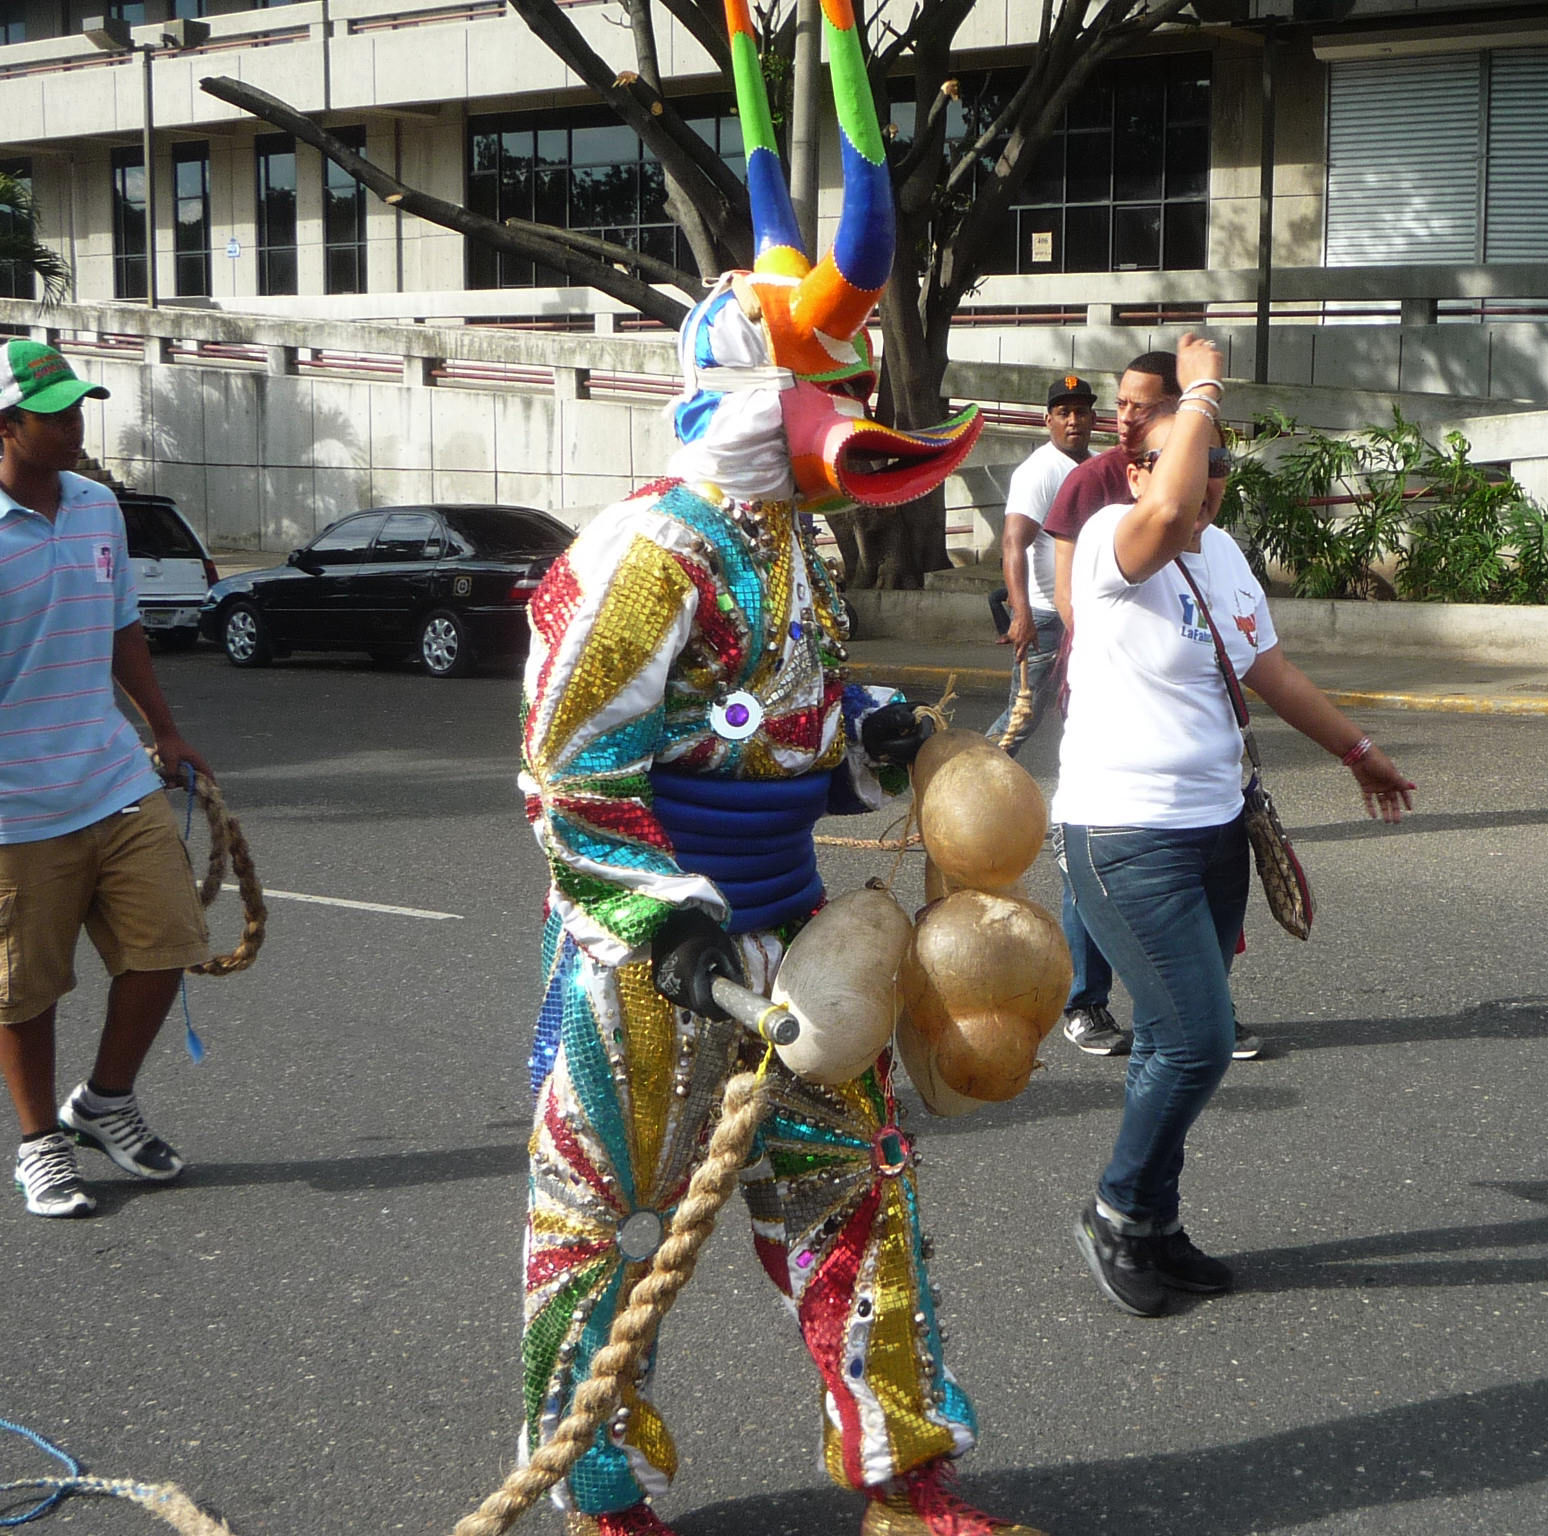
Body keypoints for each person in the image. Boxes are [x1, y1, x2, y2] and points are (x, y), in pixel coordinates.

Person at [514, 9, 1040, 1535]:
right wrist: (666, 921)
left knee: (858, 1193)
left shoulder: (787, 553)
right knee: (600, 1229)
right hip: (643, 966)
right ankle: (598, 1490)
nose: (846, 405)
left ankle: (905, 1477)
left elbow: (783, 712)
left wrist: (869, 732)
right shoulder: (641, 554)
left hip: (796, 947)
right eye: (817, 373)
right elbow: (570, 780)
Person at [1058, 335, 1416, 1319]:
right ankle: (1116, 1212)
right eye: (1186, 455)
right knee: (1196, 1040)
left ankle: (1156, 1227)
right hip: (1124, 837)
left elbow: (1270, 671)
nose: (1204, 481)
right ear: (1136, 468)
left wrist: (1357, 752)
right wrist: (1200, 386)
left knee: (1178, 1039)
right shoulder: (1110, 545)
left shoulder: (1216, 557)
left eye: (1216, 463)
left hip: (1212, 833)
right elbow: (1165, 510)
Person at [0, 340, 213, 1220]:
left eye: (80, 406)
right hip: (14, 805)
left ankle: (105, 1101)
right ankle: (40, 1142)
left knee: (171, 942)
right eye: (56, 413)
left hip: (112, 773)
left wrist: (163, 729)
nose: (76, 424)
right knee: (25, 988)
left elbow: (123, 626)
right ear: (7, 425)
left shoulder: (96, 508)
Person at [1034, 352, 1183, 1059]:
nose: (1125, 418)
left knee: (1193, 856)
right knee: (1092, 851)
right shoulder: (1089, 483)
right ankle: (1084, 1001)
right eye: (1120, 404)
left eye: (1142, 406)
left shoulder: (1194, 477)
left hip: (1179, 714)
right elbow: (1068, 598)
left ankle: (1193, 1004)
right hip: (1101, 700)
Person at [983, 374, 1096, 750]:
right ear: (1048, 420)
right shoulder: (1040, 471)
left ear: (1093, 418)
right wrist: (1022, 615)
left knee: (1090, 712)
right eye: (1063, 412)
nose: (1073, 421)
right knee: (1023, 715)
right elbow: (1013, 543)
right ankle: (970, 789)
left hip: (1090, 615)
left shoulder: (1096, 467)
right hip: (1046, 617)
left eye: (1081, 412)